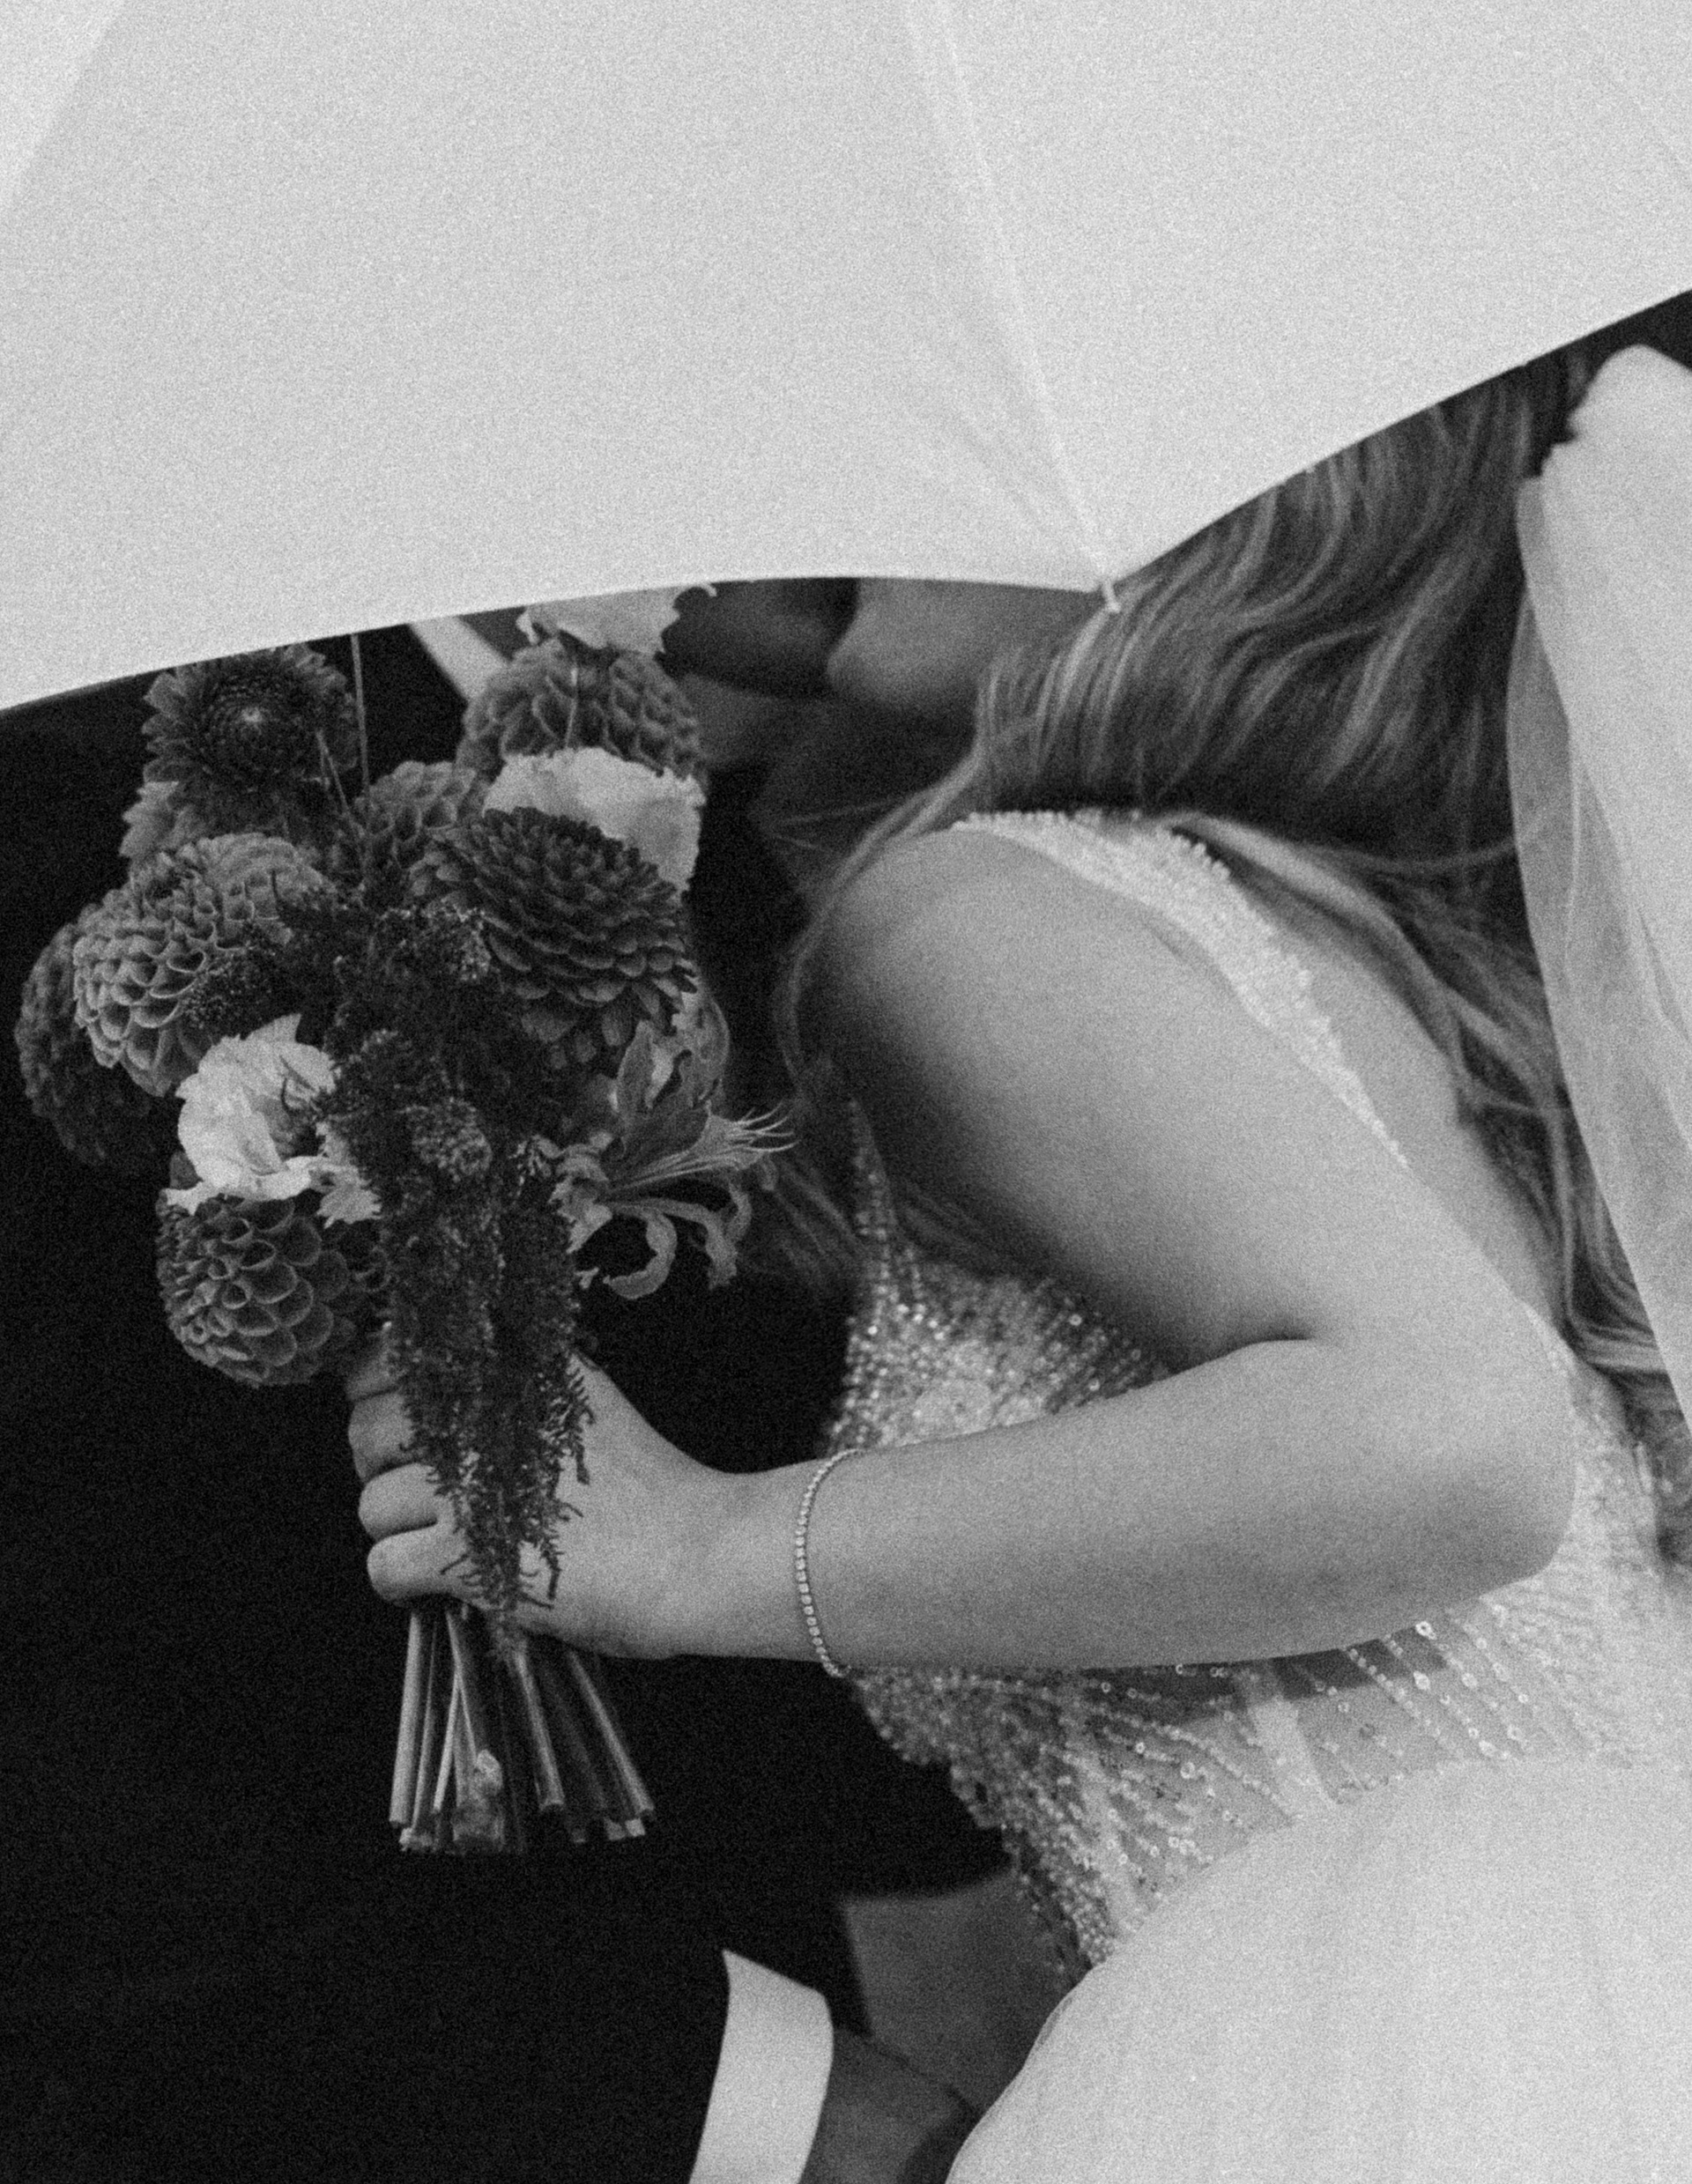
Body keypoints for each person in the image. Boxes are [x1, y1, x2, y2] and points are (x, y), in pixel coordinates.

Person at [354, 315, 1692, 2179]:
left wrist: (697, 1545)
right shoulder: (1465, 991)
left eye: (973, 406)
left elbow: (1451, 1444)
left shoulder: (976, 909)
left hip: (1363, 2052)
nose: (879, 461)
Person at [0, 622, 990, 2184]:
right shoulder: (64, 820)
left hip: (743, 1957)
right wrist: (729, 2097)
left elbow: (801, 1737)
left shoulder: (723, 858)